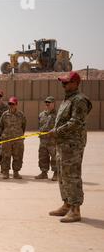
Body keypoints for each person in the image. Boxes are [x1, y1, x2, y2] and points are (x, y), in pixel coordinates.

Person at [49, 71, 92, 223]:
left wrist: (57, 131)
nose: (63, 85)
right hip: (63, 144)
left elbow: (76, 122)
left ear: (75, 83)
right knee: (63, 174)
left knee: (72, 175)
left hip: (73, 145)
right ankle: (67, 204)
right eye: (63, 82)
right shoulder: (68, 99)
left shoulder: (79, 100)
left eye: (66, 82)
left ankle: (75, 209)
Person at [0, 96, 27, 179]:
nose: (11, 105)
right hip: (6, 140)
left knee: (17, 156)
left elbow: (24, 126)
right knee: (5, 156)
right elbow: (0, 125)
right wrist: (5, 134)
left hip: (18, 140)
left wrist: (18, 134)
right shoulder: (5, 114)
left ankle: (16, 172)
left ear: (16, 104)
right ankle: (5, 172)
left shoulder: (21, 115)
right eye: (10, 104)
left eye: (13, 104)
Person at [35, 96, 58, 181]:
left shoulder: (58, 115)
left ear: (53, 104)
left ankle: (56, 173)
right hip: (43, 140)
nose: (47, 104)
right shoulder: (41, 114)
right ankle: (44, 173)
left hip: (53, 140)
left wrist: (55, 130)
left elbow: (60, 127)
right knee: (42, 157)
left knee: (54, 157)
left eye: (49, 102)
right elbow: (39, 126)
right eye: (46, 102)